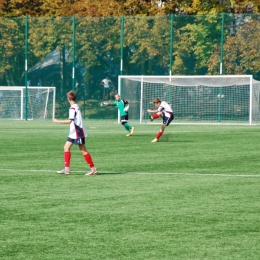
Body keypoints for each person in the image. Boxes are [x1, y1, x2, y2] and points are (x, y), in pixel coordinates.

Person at [53, 90, 98, 176]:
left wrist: (57, 121)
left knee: (83, 150)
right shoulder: (76, 106)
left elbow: (70, 121)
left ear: (69, 99)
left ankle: (93, 169)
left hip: (78, 132)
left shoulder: (73, 108)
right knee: (66, 147)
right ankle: (66, 169)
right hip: (74, 132)